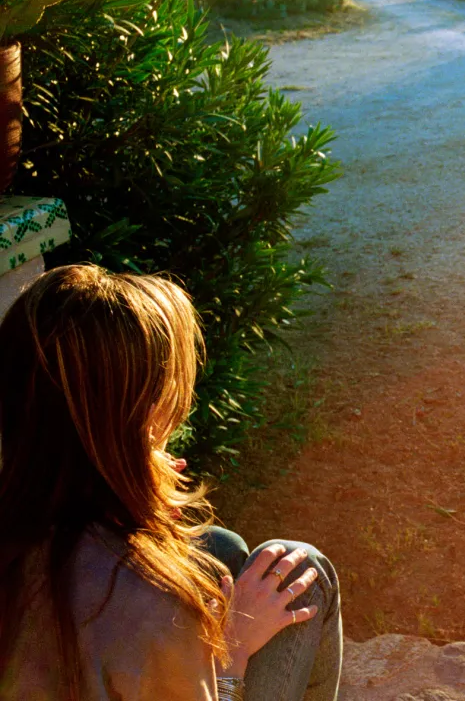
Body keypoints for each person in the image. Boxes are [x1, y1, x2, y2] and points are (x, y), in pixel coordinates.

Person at [0, 265, 342, 700]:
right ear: (137, 420)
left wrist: (128, 501)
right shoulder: (160, 604)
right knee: (301, 570)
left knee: (219, 549)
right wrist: (228, 655)